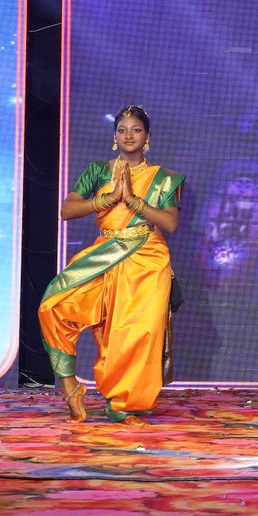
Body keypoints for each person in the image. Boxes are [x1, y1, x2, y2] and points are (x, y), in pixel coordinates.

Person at [39, 106, 182, 425]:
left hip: (147, 258)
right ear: (114, 136)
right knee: (54, 306)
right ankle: (71, 387)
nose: (128, 135)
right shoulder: (98, 171)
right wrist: (107, 199)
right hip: (105, 252)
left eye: (136, 129)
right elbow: (67, 211)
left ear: (147, 137)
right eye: (122, 130)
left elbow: (170, 223)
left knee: (133, 333)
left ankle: (123, 405)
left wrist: (133, 202)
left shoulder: (164, 179)